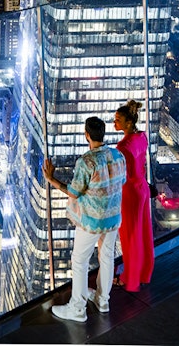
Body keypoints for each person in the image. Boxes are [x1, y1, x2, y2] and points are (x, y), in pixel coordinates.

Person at [43, 116, 126, 322]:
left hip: (92, 221)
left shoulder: (86, 161)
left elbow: (74, 192)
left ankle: (77, 308)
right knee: (106, 257)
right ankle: (103, 300)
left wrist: (51, 178)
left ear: (86, 134)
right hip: (113, 217)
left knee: (79, 261)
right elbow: (121, 182)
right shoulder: (118, 156)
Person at [114, 100, 155, 292]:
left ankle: (129, 279)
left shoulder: (122, 146)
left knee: (130, 237)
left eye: (118, 120)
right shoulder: (142, 137)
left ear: (128, 123)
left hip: (130, 191)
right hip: (143, 188)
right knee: (143, 233)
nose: (115, 123)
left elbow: (122, 175)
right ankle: (144, 272)